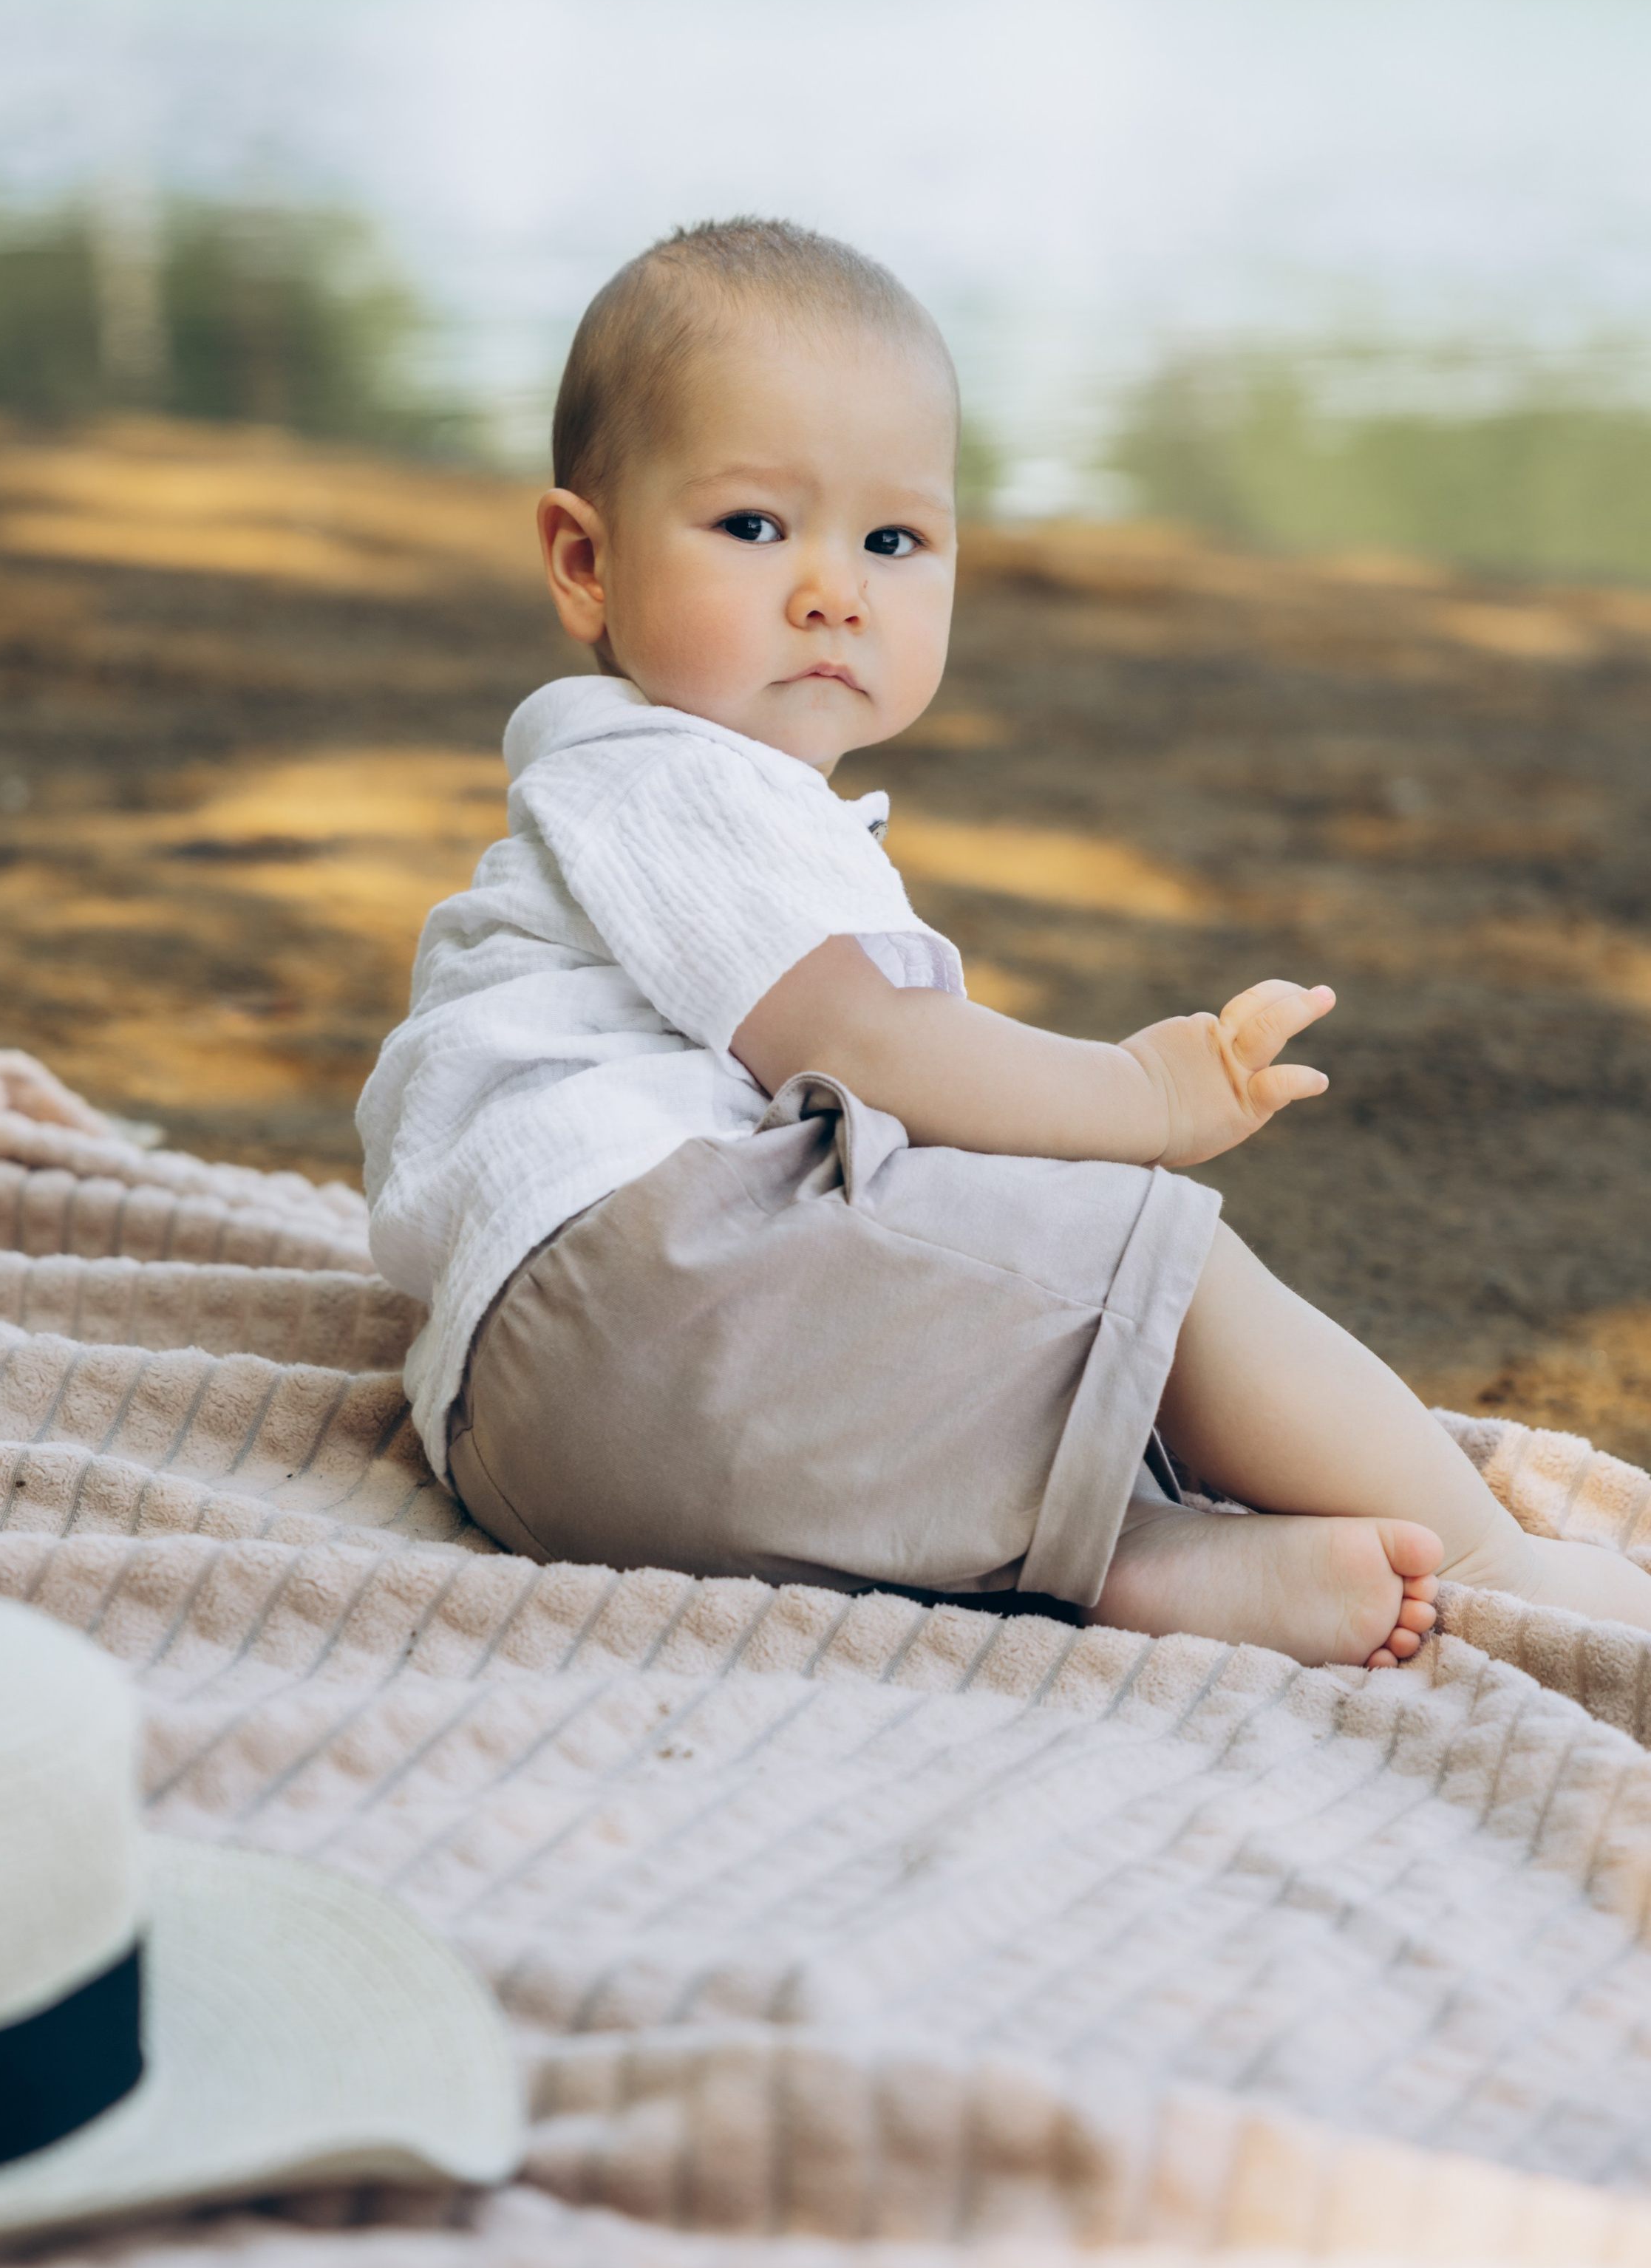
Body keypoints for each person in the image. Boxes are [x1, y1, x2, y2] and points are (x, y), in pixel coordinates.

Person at [358, 217, 1651, 1667]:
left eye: (892, 541)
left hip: (535, 1449)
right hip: (638, 1296)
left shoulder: (612, 800)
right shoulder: (673, 781)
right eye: (753, 527)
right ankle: (1493, 1557)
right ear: (584, 560)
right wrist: (1139, 1098)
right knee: (1147, 1261)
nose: (832, 589)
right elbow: (872, 1046)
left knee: (971, 1282)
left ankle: (1141, 1563)